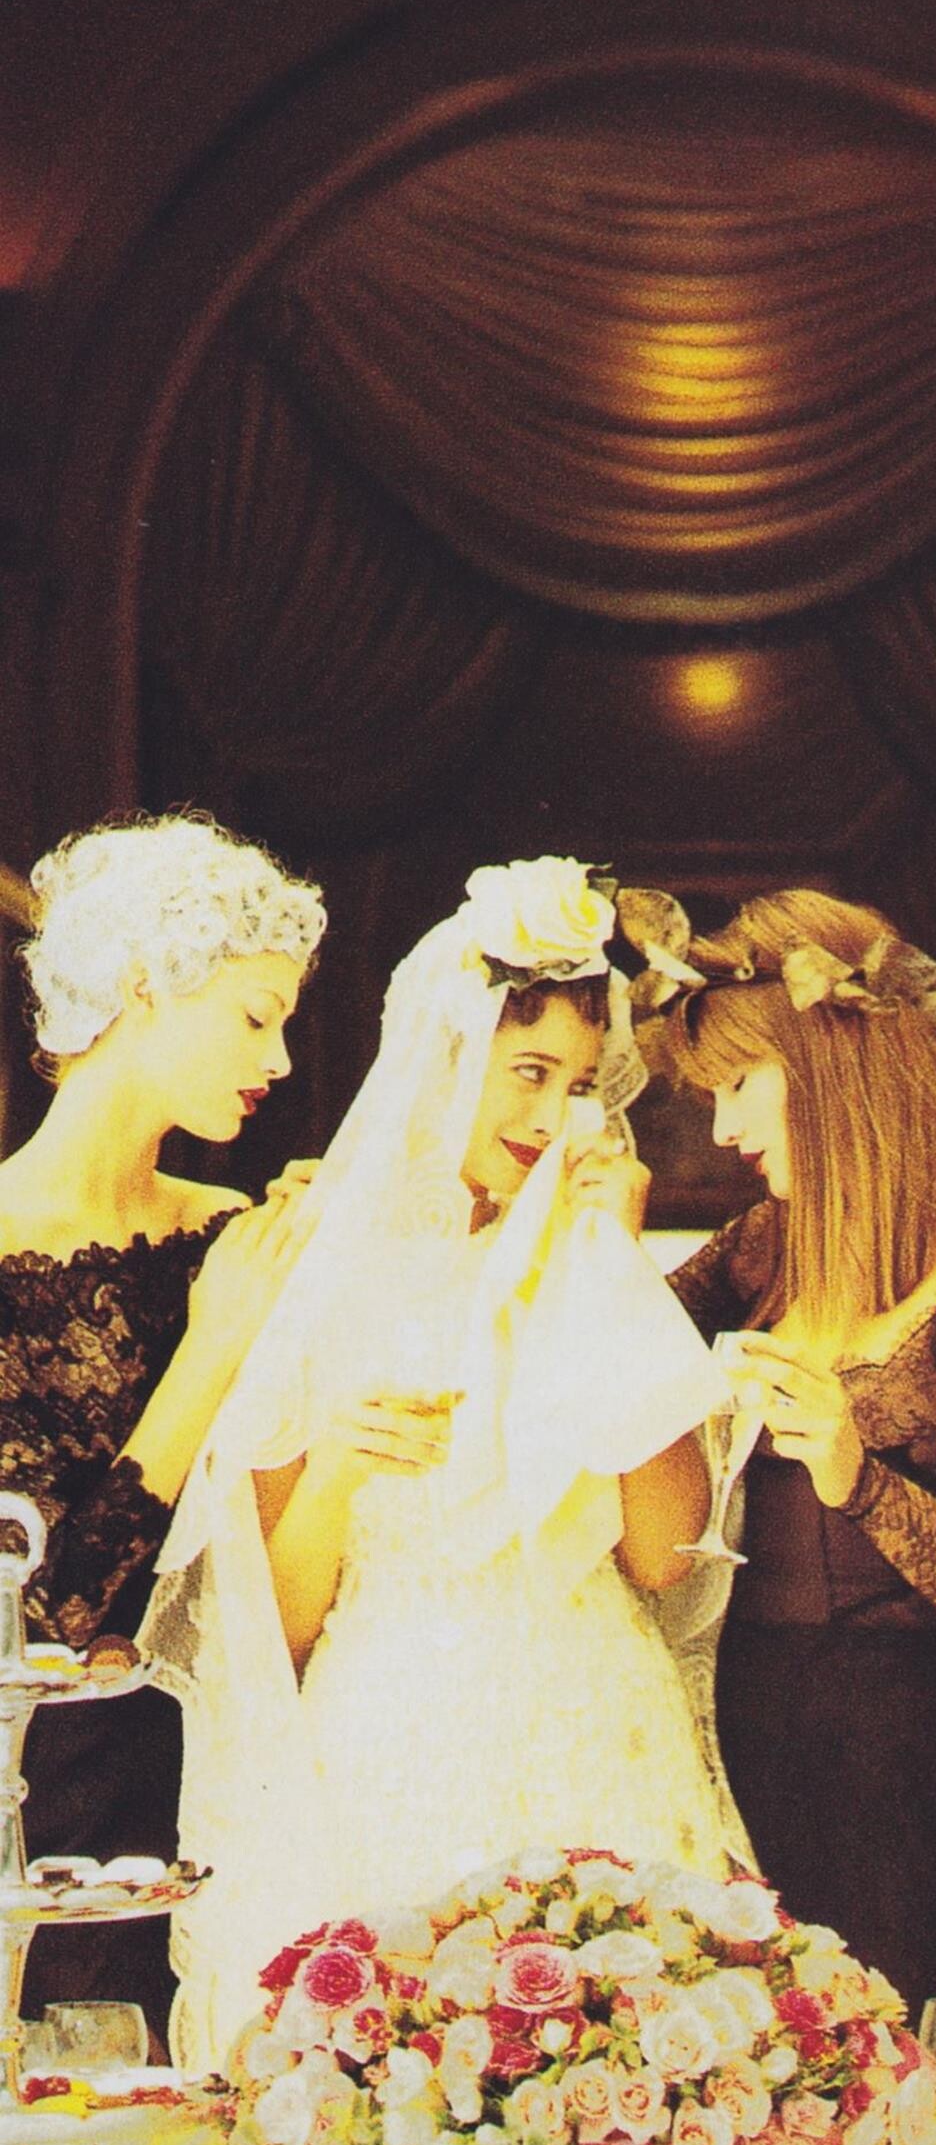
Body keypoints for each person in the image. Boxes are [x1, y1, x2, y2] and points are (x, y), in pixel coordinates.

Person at [148, 859, 737, 2063]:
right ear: (445, 1055)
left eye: (579, 1083)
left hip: (596, 1729)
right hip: (387, 1740)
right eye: (529, 1071)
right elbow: (273, 1628)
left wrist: (613, 1274)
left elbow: (665, 1556)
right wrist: (336, 1469)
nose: (553, 1114)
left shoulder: (589, 1259)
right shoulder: (312, 1269)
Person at [647, 888, 936, 2145]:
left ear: (830, 1061)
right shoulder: (762, 1246)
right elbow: (596, 1354)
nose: (723, 1128)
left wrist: (863, 1477)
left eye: (741, 1086)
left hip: (915, 1782)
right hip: (744, 1761)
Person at [0, 817, 323, 2036]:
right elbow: (42, 1624)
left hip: (225, 1782)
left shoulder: (230, 1229)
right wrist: (212, 1346)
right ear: (142, 985)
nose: (278, 1057)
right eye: (255, 1016)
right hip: (46, 1816)